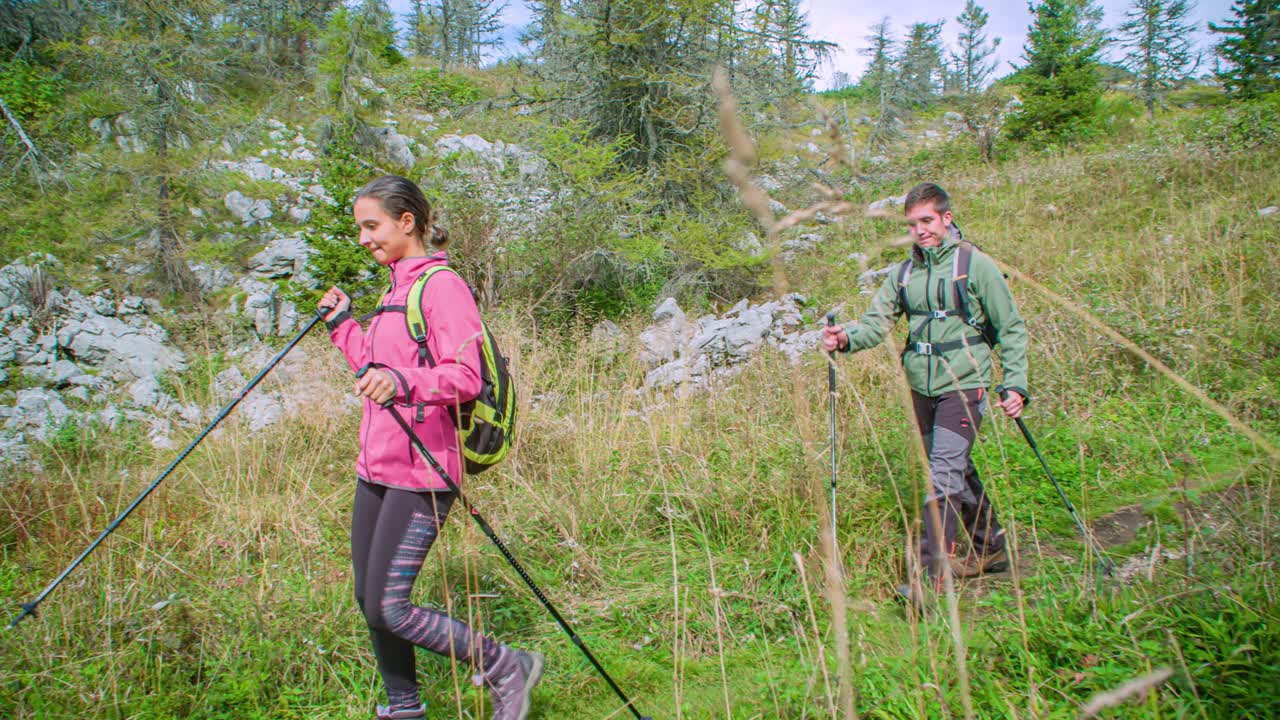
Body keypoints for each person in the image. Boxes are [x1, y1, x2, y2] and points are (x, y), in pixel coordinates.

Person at [318, 175, 543, 720]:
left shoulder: (441, 287)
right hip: (375, 467)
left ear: (407, 221)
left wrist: (401, 381)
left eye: (371, 226)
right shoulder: (392, 290)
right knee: (369, 600)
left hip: (423, 470)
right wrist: (342, 325)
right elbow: (375, 372)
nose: (364, 238)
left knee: (390, 606)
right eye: (360, 229)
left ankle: (506, 665)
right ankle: (404, 709)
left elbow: (465, 377)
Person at [821, 182, 1029, 606]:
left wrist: (1016, 384)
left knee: (943, 475)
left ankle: (927, 581)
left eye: (927, 221)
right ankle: (990, 547)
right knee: (957, 468)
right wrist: (845, 338)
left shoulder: (974, 265)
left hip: (965, 384)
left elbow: (1010, 327)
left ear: (946, 218)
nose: (920, 230)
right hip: (921, 387)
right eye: (912, 223)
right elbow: (875, 324)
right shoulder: (903, 274)